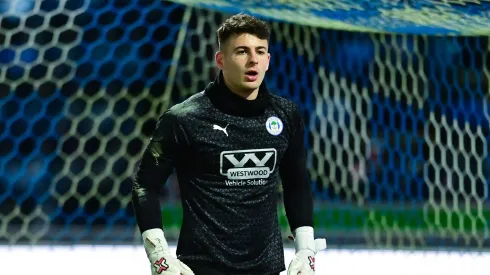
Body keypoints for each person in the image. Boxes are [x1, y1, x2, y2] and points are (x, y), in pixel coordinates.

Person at [132, 13, 326, 275]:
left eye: (260, 51)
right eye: (242, 51)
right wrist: (158, 256)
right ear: (220, 60)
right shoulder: (184, 118)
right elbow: (145, 185)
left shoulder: (286, 115)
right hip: (201, 268)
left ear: (268, 60)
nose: (253, 59)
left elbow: (297, 182)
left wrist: (306, 250)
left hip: (267, 269)